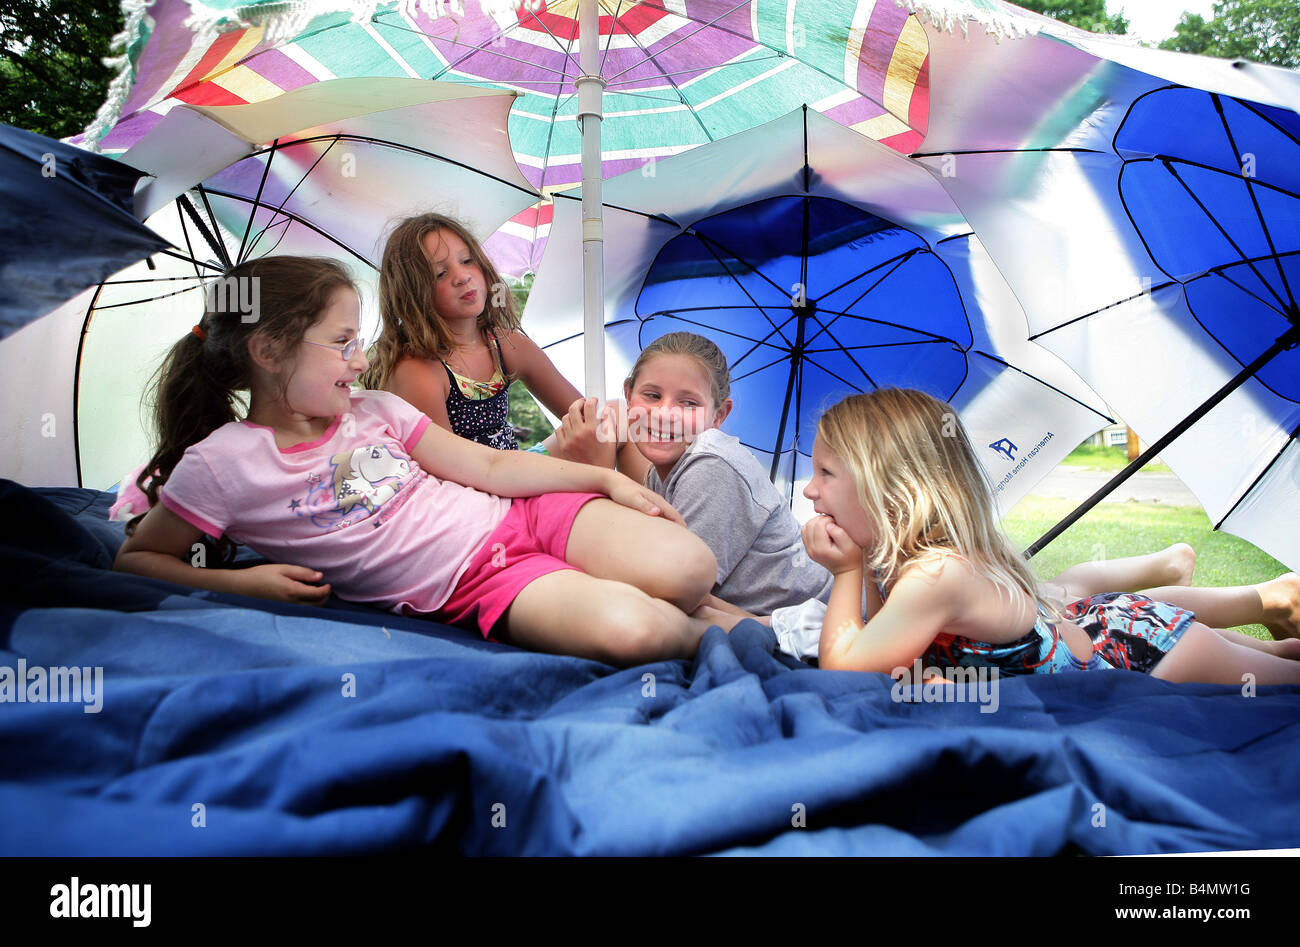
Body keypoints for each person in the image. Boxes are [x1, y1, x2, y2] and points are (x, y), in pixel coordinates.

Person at [113, 256, 735, 668]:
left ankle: (712, 609)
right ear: (269, 351)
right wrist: (235, 582)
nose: (360, 361)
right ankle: (732, 636)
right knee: (638, 633)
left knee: (690, 567)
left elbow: (490, 470)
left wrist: (604, 480)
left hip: (526, 515)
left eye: (358, 341)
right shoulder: (221, 466)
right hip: (477, 583)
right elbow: (137, 558)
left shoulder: (375, 408)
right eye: (341, 343)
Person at [800, 387, 1300, 683]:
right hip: (1098, 626)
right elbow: (887, 641)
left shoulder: (935, 573)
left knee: (1283, 684)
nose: (808, 490)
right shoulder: (917, 558)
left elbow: (848, 668)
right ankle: (1275, 631)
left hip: (1138, 648)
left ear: (890, 489)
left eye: (825, 472)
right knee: (1277, 660)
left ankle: (1275, 619)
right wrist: (865, 567)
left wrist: (845, 572)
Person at [362, 212, 633, 464]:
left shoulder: (506, 346)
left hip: (515, 467)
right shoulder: (418, 371)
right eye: (441, 274)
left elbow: (584, 417)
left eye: (467, 260)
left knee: (614, 419)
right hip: (472, 492)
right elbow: (447, 471)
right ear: (413, 294)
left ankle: (665, 504)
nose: (463, 277)